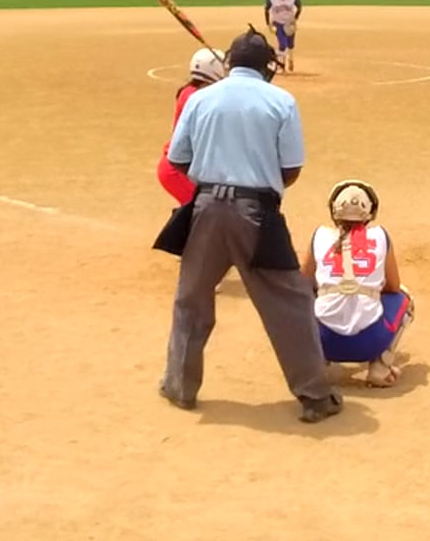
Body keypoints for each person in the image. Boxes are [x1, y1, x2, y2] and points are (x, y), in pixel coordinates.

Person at [154, 28, 341, 423]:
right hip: (257, 213)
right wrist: (257, 179)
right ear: (266, 65)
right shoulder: (281, 101)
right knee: (289, 302)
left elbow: (178, 159)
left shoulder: (200, 98)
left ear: (230, 62)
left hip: (204, 208)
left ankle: (179, 385)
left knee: (191, 299)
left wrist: (214, 174)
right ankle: (314, 395)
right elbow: (291, 168)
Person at [301, 180, 414, 389]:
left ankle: (316, 364)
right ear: (370, 212)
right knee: (403, 298)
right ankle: (380, 366)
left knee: (307, 298)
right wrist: (368, 289)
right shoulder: (380, 235)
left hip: (324, 341)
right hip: (370, 342)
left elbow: (303, 283)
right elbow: (393, 286)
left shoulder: (320, 235)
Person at [156, 48, 227, 204]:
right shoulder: (195, 96)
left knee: (204, 210)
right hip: (178, 169)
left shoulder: (193, 92)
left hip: (185, 167)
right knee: (207, 207)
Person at [264, 0, 302, 72]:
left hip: (289, 23)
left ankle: (291, 59)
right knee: (282, 44)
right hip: (278, 23)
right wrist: (268, 24)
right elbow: (266, 10)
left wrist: (295, 19)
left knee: (290, 44)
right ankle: (281, 65)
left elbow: (299, 7)